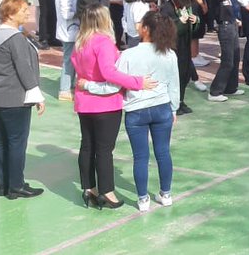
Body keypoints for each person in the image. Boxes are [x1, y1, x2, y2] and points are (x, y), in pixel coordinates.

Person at [77, 11, 179, 213]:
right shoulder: (169, 54)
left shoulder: (128, 55)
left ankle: (143, 199)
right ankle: (165, 194)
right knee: (163, 152)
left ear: (146, 30)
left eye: (141, 23)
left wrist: (88, 85)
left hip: (136, 111)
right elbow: (174, 85)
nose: (138, 25)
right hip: (162, 108)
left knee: (140, 157)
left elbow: (113, 86)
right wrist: (173, 108)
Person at [71, 5, 151, 209]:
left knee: (87, 145)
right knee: (105, 150)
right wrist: (137, 82)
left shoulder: (80, 42)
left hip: (84, 101)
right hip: (105, 103)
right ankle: (107, 191)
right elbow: (109, 72)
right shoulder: (103, 43)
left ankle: (89, 187)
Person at [0, 0, 45, 199]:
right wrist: (37, 96)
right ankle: (16, 185)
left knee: (0, 139)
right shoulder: (14, 39)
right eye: (24, 10)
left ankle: (4, 184)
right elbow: (23, 69)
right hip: (13, 97)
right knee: (17, 141)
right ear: (10, 13)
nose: (28, 13)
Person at [208, 0, 244, 99]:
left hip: (232, 26)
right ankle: (215, 91)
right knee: (227, 61)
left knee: (235, 59)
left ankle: (231, 87)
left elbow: (227, 10)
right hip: (225, 29)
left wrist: (236, 19)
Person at [161, 0, 199, 115]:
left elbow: (193, 27)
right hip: (173, 47)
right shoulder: (167, 8)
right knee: (173, 76)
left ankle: (180, 101)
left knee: (184, 75)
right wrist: (179, 22)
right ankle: (172, 103)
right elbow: (165, 30)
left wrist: (195, 21)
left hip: (185, 46)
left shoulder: (186, 6)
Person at [55, 0, 83, 100]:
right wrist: (79, 12)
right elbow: (66, 14)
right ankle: (64, 89)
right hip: (68, 30)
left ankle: (69, 86)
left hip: (71, 29)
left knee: (72, 59)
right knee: (68, 60)